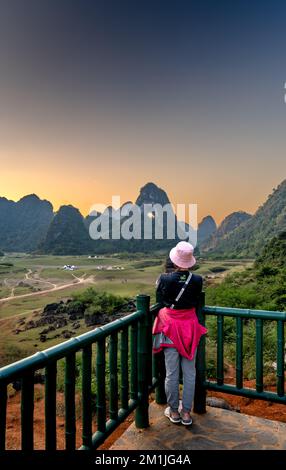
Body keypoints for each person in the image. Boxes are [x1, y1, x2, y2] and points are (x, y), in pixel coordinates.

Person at [152, 241, 207, 426]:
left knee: (172, 372)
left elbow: (159, 291)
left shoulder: (164, 279)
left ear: (175, 261)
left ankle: (174, 411)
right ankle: (186, 414)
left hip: (170, 328)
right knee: (190, 373)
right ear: (190, 262)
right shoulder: (198, 280)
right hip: (189, 329)